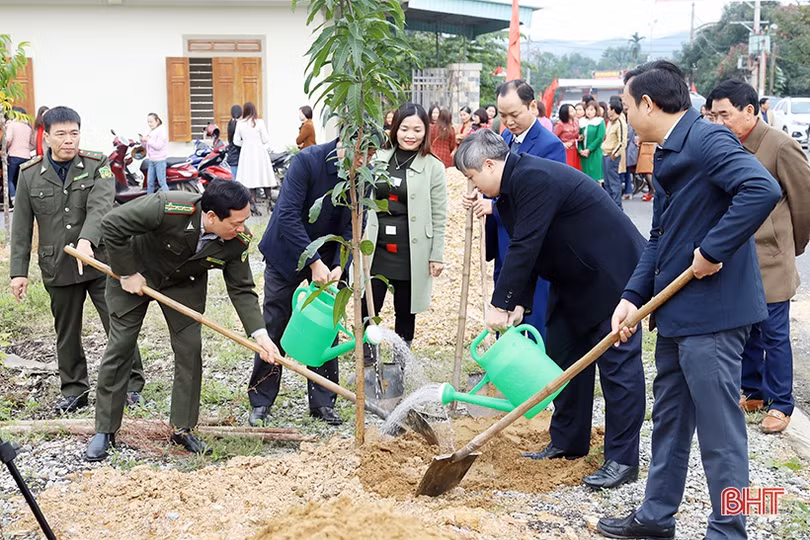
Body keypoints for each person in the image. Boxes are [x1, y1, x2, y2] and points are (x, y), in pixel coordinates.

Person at [597, 61, 781, 540]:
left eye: (625, 103)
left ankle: (729, 529)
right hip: (676, 312)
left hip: (714, 315)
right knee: (671, 422)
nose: (623, 113)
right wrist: (632, 296)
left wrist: (714, 250)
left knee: (721, 434)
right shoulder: (667, 151)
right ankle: (656, 517)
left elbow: (762, 188)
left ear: (648, 104)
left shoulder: (707, 139)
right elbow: (660, 236)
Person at [457, 129, 646, 490]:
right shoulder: (510, 189)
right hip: (571, 278)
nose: (473, 187)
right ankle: (568, 441)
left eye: (472, 177)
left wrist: (500, 303)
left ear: (489, 164)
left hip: (611, 276)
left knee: (617, 369)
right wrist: (520, 303)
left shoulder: (533, 178)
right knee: (563, 359)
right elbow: (525, 245)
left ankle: (622, 460)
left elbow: (527, 244)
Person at [86, 180, 279, 461]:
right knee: (121, 347)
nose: (242, 228)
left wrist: (260, 334)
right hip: (135, 275)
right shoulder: (169, 207)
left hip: (183, 286)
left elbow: (241, 289)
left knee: (190, 350)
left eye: (244, 221)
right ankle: (105, 430)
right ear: (211, 216)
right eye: (236, 222)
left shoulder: (238, 241)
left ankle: (183, 428)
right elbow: (113, 223)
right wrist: (127, 272)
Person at [10, 106, 145, 414]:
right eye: (61, 134)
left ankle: (132, 383)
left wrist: (86, 240)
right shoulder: (30, 174)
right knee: (66, 332)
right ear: (46, 136)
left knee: (118, 323)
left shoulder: (98, 164)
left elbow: (100, 207)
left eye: (74, 133)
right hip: (58, 264)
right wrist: (18, 272)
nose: (69, 140)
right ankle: (74, 390)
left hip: (99, 262)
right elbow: (20, 229)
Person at [709, 79, 810, 435]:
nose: (718, 122)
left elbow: (804, 201)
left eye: (725, 114)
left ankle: (782, 403)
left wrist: (790, 246)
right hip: (738, 257)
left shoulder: (779, 146)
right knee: (745, 328)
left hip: (771, 257)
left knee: (774, 333)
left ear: (749, 111)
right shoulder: (725, 146)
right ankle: (753, 390)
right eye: (713, 115)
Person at [246, 138, 358, 428]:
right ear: (347, 138)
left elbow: (352, 226)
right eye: (362, 151)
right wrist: (313, 262)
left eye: (372, 153)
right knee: (275, 322)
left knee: (326, 326)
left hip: (328, 260)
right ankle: (261, 399)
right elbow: (286, 215)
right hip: (287, 252)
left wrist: (338, 265)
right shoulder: (308, 162)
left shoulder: (362, 174)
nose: (365, 159)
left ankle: (323, 402)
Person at [362, 103, 447, 359]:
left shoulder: (434, 167)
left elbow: (439, 214)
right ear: (394, 128)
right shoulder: (378, 159)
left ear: (426, 131)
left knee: (405, 309)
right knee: (369, 306)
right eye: (404, 128)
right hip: (377, 246)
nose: (410, 135)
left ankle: (401, 362)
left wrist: (436, 254)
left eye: (417, 130)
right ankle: (367, 359)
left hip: (412, 249)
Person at [490, 79, 566, 341]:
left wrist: (491, 207)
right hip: (504, 238)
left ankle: (533, 371)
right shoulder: (505, 139)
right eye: (502, 115)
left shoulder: (550, 146)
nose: (509, 121)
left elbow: (543, 204)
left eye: (514, 114)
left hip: (533, 244)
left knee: (531, 310)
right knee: (504, 303)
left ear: (532, 106)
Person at [234, 102, 277, 215]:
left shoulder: (240, 123)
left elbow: (236, 141)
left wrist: (245, 143)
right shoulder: (259, 122)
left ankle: (253, 205)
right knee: (264, 175)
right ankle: (269, 201)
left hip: (246, 153)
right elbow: (266, 139)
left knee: (250, 178)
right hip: (259, 151)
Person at [601, 100, 627, 208]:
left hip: (611, 156)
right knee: (607, 182)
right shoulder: (611, 122)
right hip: (605, 154)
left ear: (613, 110)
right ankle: (611, 206)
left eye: (609, 109)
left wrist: (614, 155)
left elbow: (622, 142)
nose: (607, 111)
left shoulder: (620, 123)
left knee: (613, 183)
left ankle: (617, 207)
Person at [5, 107, 33, 199]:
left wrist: (5, 148)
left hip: (13, 155)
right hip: (26, 156)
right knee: (21, 180)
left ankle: (13, 200)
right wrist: (26, 149)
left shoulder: (12, 125)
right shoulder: (28, 127)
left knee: (10, 179)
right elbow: (33, 143)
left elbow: (8, 139)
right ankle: (22, 200)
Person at [140, 113, 168, 194]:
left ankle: (169, 200)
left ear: (157, 121)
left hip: (160, 160)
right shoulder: (151, 131)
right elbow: (146, 146)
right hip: (151, 160)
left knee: (162, 183)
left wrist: (148, 140)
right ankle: (149, 201)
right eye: (148, 122)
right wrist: (142, 140)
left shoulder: (161, 131)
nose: (149, 124)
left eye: (151, 122)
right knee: (150, 182)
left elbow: (158, 146)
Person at [578, 101, 605, 184]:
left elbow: (600, 138)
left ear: (596, 110)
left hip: (595, 153)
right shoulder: (581, 121)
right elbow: (579, 137)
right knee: (585, 179)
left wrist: (589, 149)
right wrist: (580, 149)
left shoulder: (600, 121)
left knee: (596, 179)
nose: (589, 111)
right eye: (587, 109)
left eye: (591, 109)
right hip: (583, 155)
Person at [553, 104, 581, 170]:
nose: (574, 112)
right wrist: (562, 144)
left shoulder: (576, 121)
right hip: (566, 150)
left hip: (575, 149)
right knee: (568, 168)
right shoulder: (560, 124)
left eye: (574, 109)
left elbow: (576, 133)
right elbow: (553, 137)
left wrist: (578, 137)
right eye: (571, 111)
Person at [226, 104, 242, 180]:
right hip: (239, 156)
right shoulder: (241, 125)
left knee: (235, 179)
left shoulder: (230, 123)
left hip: (232, 155)